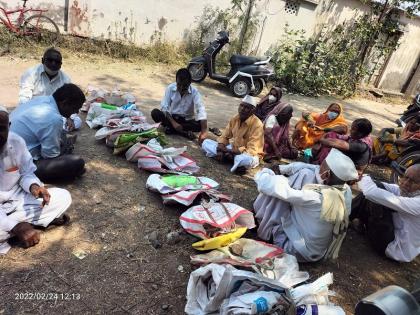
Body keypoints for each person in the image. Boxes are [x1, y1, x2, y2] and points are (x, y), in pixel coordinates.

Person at [254, 148, 359, 262]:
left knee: (279, 195)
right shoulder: (346, 191)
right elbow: (313, 168)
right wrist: (283, 168)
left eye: (322, 166)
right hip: (319, 253)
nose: (318, 167)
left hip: (297, 250)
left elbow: (270, 186)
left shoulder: (317, 197)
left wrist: (267, 172)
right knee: (305, 172)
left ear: (327, 174)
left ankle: (263, 221)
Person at [0, 105, 72, 254]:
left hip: (17, 200)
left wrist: (34, 186)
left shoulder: (17, 142)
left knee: (63, 196)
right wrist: (16, 226)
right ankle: (19, 227)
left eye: (0, 128)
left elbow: (26, 173)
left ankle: (13, 229)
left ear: (9, 126)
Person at [10, 84, 86, 183]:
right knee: (76, 162)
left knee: (62, 136)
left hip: (8, 150)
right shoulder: (53, 118)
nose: (76, 112)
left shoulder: (42, 100)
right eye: (75, 108)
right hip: (12, 165)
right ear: (64, 103)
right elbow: (50, 156)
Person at [351, 164, 420, 262]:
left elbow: (371, 192)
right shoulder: (407, 191)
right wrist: (364, 178)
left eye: (413, 181)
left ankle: (343, 218)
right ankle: (351, 220)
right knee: (377, 189)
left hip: (394, 248)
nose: (405, 183)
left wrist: (364, 177)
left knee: (376, 198)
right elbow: (377, 185)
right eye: (405, 177)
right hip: (390, 235)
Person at [19, 47, 81, 131]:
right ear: (42, 60)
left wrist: (69, 117)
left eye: (57, 62)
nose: (53, 64)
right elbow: (24, 98)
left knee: (77, 121)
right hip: (35, 111)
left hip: (55, 112)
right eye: (50, 60)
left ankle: (51, 128)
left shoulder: (65, 79)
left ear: (61, 64)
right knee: (54, 122)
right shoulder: (31, 73)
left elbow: (70, 102)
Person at [201, 95, 264, 174]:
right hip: (233, 149)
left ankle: (230, 158)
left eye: (246, 107)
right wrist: (220, 149)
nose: (242, 109)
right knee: (206, 142)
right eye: (241, 106)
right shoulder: (235, 118)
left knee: (244, 160)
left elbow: (252, 150)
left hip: (248, 154)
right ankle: (231, 160)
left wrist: (230, 151)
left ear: (252, 110)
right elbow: (224, 136)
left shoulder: (257, 124)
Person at [151, 68, 208, 143]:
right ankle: (183, 133)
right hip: (172, 119)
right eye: (179, 84)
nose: (181, 88)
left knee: (199, 126)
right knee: (155, 113)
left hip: (186, 121)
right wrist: (174, 123)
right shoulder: (170, 88)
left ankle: (171, 129)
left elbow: (201, 109)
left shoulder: (195, 92)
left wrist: (204, 132)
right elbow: (164, 107)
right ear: (176, 81)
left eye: (184, 86)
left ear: (190, 83)